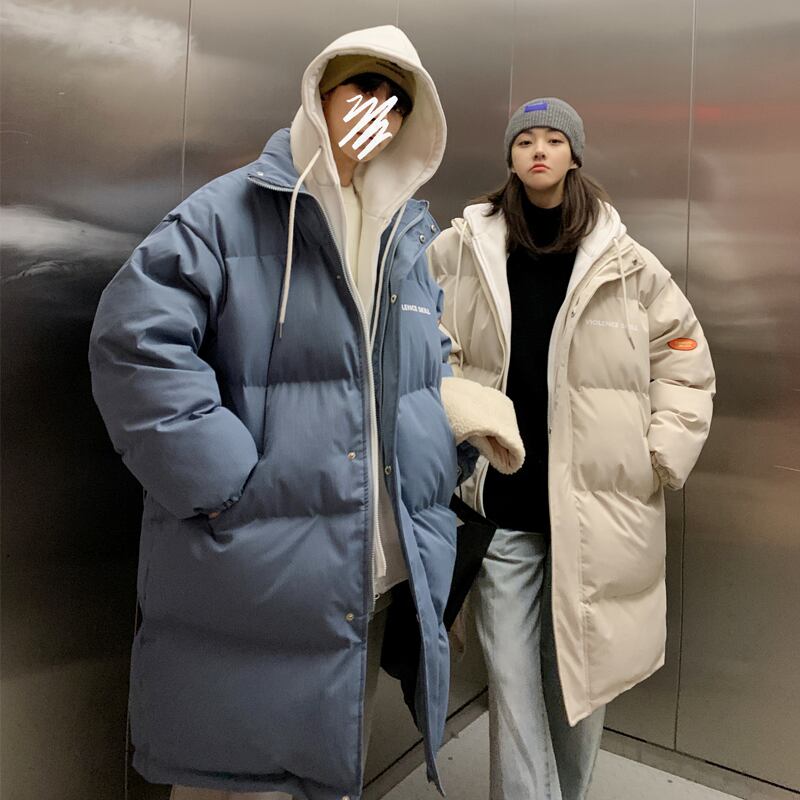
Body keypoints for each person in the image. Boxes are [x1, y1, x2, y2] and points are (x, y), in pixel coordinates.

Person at [89, 25, 521, 800]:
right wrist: (226, 481)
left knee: (321, 759)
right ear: (320, 94)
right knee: (234, 771)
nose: (378, 109)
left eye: (396, 99)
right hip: (254, 563)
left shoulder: (400, 236)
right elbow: (134, 343)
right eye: (362, 88)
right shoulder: (227, 213)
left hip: (362, 568)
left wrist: (449, 434)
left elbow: (421, 359)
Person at [427, 97, 716, 800]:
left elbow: (684, 355)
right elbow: (422, 337)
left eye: (554, 139)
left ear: (574, 155)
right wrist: (456, 422)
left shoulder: (625, 260)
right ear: (510, 156)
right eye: (525, 139)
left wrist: (660, 453)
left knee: (583, 683)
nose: (539, 150)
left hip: (597, 509)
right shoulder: (462, 247)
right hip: (500, 500)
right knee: (512, 681)